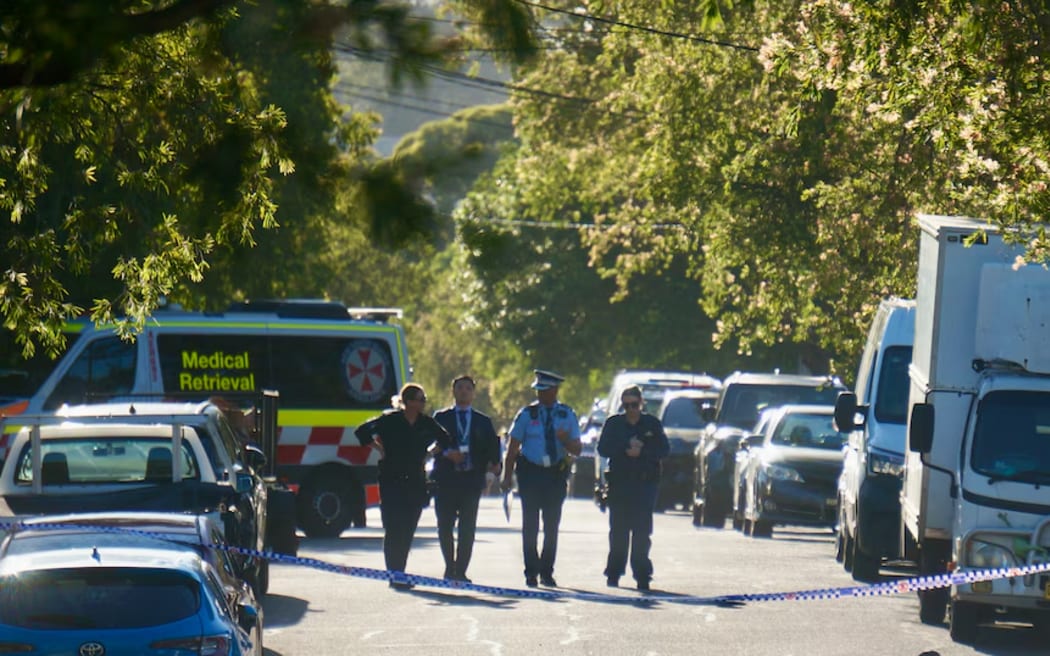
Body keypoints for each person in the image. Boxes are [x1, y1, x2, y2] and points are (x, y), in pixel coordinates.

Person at [355, 383, 447, 590]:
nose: (423, 403)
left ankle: (400, 571)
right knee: (393, 527)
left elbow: (445, 439)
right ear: (409, 402)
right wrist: (379, 448)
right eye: (420, 399)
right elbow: (361, 432)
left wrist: (429, 453)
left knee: (407, 527)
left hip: (415, 479)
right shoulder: (390, 420)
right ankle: (394, 573)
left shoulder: (426, 423)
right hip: (391, 478)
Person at [501, 369, 581, 587]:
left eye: (545, 390)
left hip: (554, 474)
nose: (540, 395)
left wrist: (565, 441)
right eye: (538, 390)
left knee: (552, 525)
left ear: (554, 390)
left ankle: (547, 570)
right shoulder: (527, 414)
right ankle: (530, 571)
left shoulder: (566, 414)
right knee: (530, 525)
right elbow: (513, 447)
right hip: (531, 473)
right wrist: (506, 475)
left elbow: (578, 449)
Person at [596, 385, 669, 591]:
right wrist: (625, 449)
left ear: (641, 403)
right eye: (626, 405)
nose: (630, 410)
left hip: (644, 484)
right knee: (618, 531)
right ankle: (614, 572)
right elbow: (603, 448)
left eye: (634, 405)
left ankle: (642, 574)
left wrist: (642, 450)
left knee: (641, 531)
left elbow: (664, 449)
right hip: (620, 483)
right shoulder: (614, 424)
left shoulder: (651, 424)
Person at [431, 375, 502, 583]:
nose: (463, 392)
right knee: (444, 524)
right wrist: (446, 454)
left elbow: (493, 451)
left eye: (468, 389)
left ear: (473, 393)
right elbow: (431, 446)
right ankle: (449, 566)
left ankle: (461, 570)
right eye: (460, 388)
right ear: (453, 392)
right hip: (446, 479)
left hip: (471, 480)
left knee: (467, 527)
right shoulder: (441, 418)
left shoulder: (483, 421)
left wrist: (494, 470)